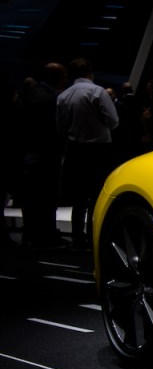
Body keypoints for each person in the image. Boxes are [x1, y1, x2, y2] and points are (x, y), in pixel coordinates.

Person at [56, 57, 119, 249]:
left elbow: (60, 126)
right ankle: (94, 236)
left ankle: (77, 237)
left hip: (75, 150)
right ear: (90, 72)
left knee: (78, 198)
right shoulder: (97, 91)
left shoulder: (63, 96)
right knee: (97, 196)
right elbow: (113, 120)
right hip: (99, 150)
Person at [14, 62, 68, 248]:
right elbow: (52, 130)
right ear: (56, 78)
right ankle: (46, 236)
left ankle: (31, 233)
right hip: (45, 154)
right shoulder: (48, 99)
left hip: (30, 153)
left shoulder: (31, 95)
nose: (65, 80)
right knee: (46, 197)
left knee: (32, 197)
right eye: (63, 76)